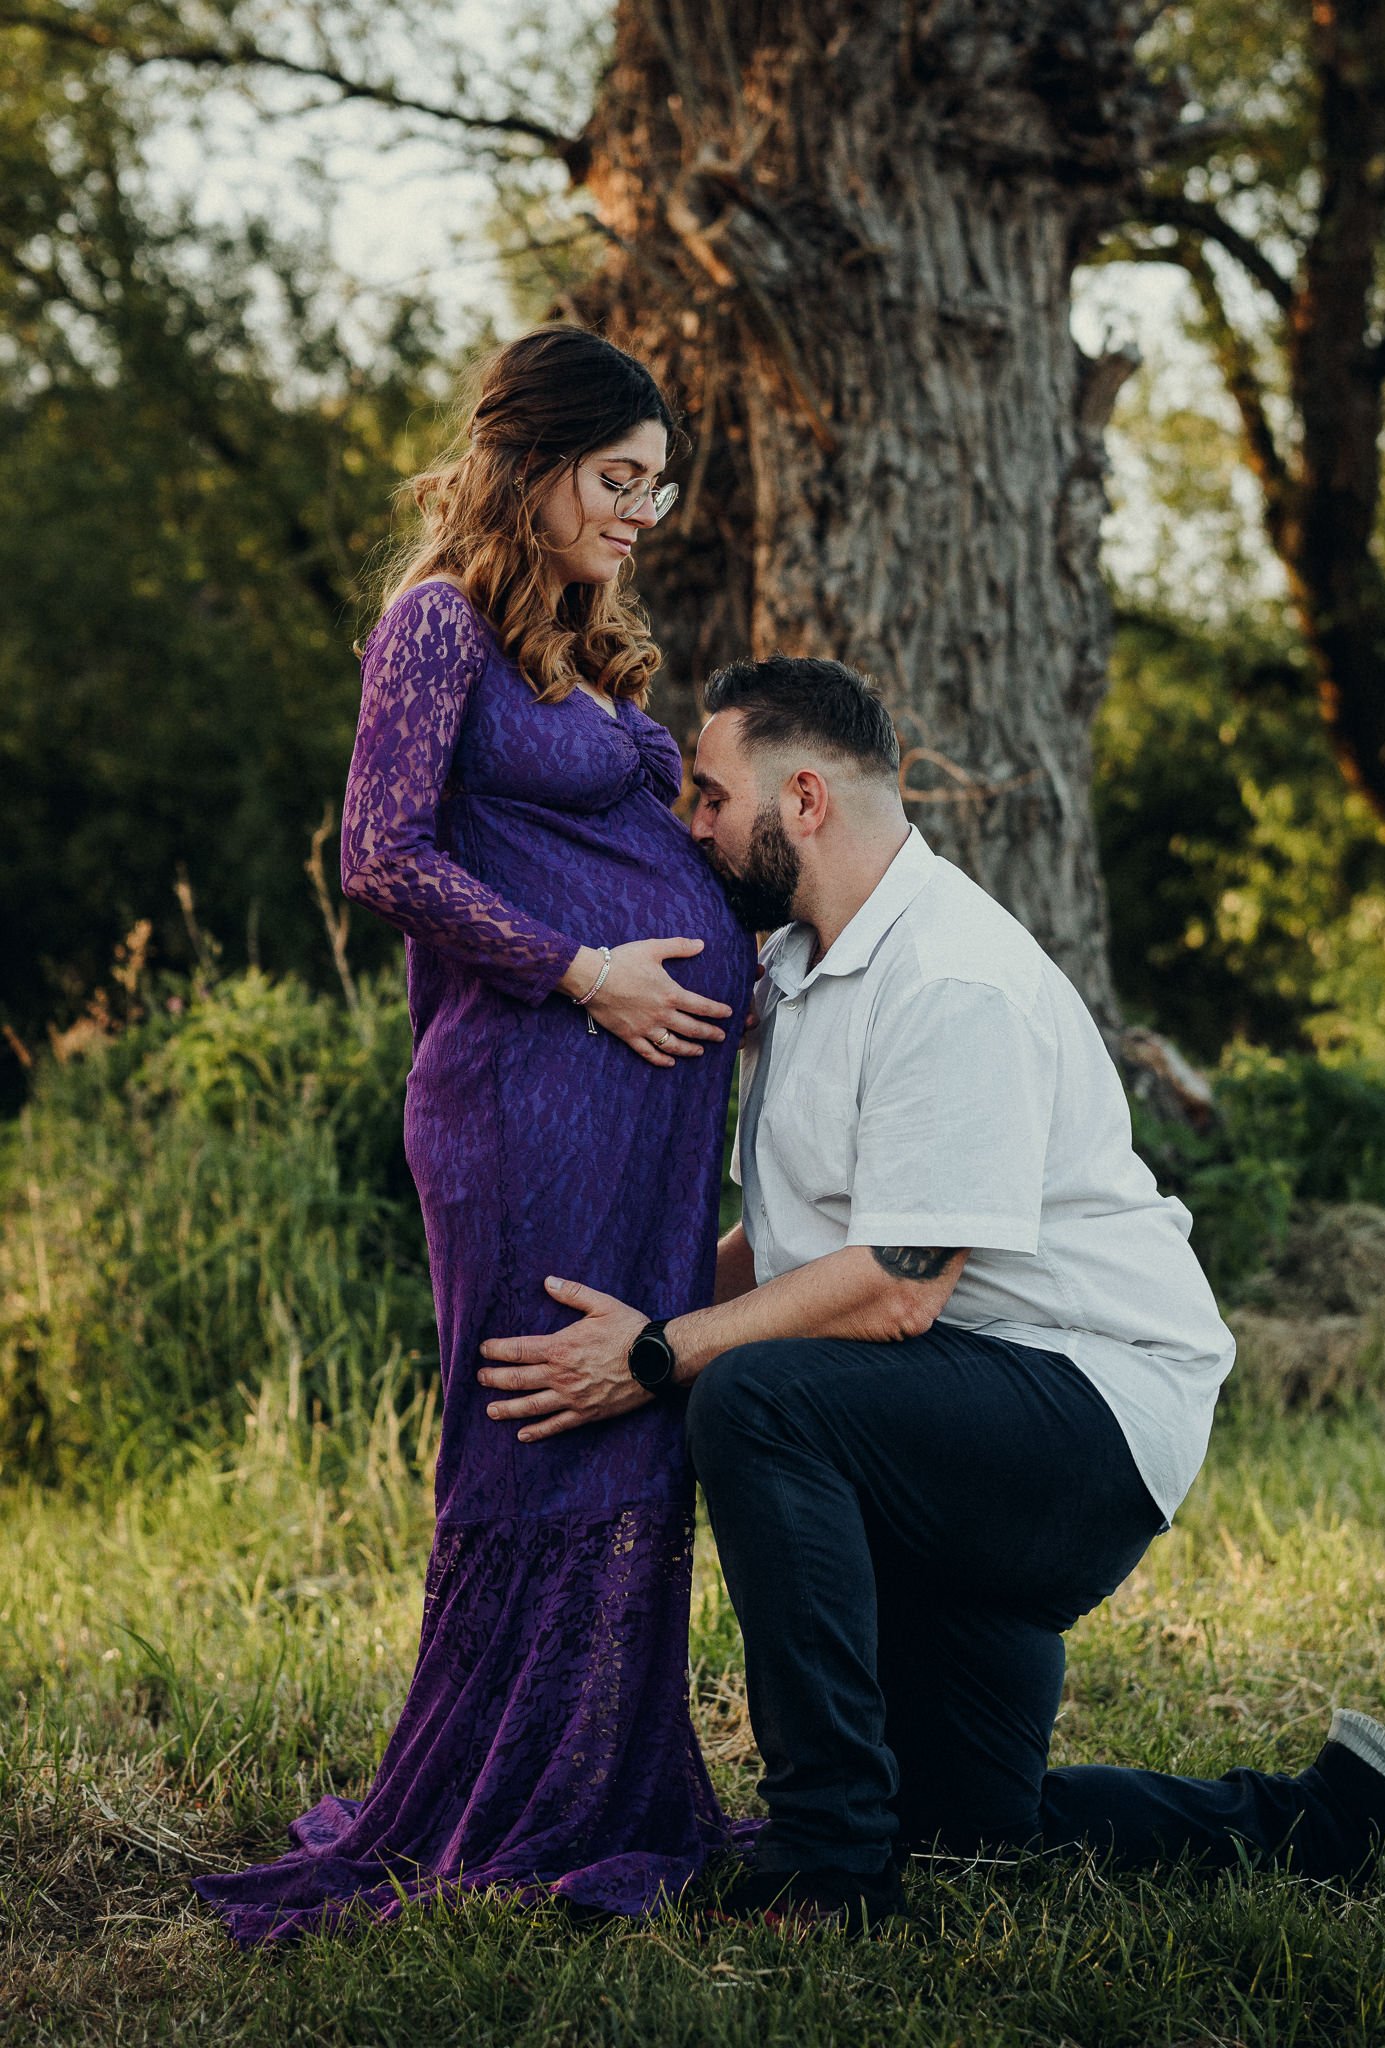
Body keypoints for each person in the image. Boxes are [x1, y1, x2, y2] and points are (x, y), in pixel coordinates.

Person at [476, 653, 1385, 1934]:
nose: (691, 824)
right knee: (975, 1824)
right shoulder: (811, 969)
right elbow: (800, 1251)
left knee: (754, 1400)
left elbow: (897, 1290)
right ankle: (1349, 1819)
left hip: (1082, 1417)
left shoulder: (950, 976)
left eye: (710, 795)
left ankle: (827, 1863)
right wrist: (635, 1321)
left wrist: (666, 1354)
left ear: (806, 798)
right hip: (954, 1421)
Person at [194, 327, 758, 1944]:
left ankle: (605, 1778)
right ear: (532, 461)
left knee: (625, 1418)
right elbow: (379, 851)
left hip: (637, 1117)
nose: (643, 510)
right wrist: (581, 967)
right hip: (520, 1098)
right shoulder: (434, 621)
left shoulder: (580, 644)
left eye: (656, 485)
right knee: (533, 1426)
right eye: (618, 477)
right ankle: (496, 1790)